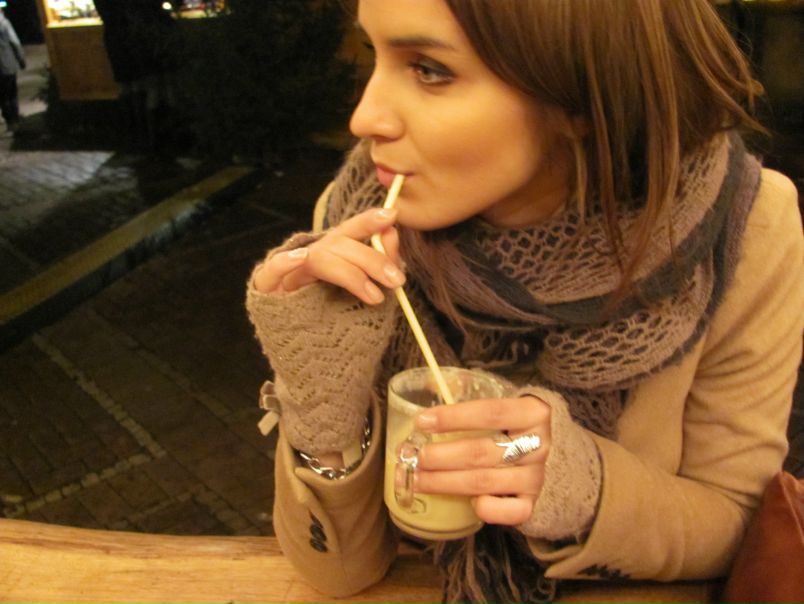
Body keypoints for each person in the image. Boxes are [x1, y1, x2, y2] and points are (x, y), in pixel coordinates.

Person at [246, 1, 804, 602]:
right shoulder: (356, 221)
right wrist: (321, 399)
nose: (364, 118)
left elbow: (737, 522)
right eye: (373, 53)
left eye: (430, 69)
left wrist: (584, 486)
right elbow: (339, 572)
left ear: (580, 95)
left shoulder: (738, 228)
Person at [0, 7, 25, 133]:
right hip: (7, 64)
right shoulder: (4, 23)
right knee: (11, 93)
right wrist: (21, 59)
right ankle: (15, 120)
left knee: (2, 96)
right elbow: (14, 42)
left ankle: (9, 121)